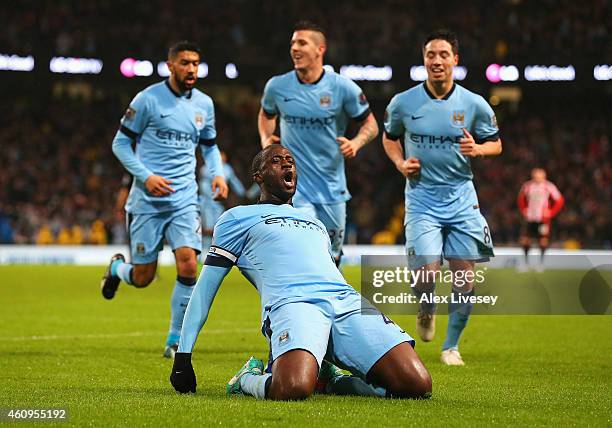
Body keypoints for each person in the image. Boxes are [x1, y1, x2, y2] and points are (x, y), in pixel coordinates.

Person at [170, 145, 432, 400]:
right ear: (258, 177)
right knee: (292, 388)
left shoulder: (315, 222)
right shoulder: (236, 218)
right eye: (276, 160)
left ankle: (330, 380)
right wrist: (183, 356)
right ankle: (247, 379)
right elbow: (205, 290)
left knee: (416, 383)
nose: (286, 163)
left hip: (346, 302)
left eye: (290, 160)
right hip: (294, 304)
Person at [100, 41, 229, 359]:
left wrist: (217, 173)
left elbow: (210, 146)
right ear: (170, 66)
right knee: (143, 277)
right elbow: (120, 144)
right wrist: (146, 177)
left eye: (196, 63)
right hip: (147, 201)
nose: (191, 69)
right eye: (185, 63)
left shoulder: (204, 105)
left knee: (188, 264)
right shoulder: (147, 100)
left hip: (185, 199)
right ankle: (118, 269)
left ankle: (174, 340)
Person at [382, 29, 502, 366]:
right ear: (424, 60)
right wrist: (399, 162)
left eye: (443, 55)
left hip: (462, 199)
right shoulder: (403, 103)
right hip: (421, 199)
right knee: (426, 275)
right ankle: (426, 306)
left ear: (455, 60)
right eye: (431, 55)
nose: (437, 61)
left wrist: (477, 149)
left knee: (464, 278)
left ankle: (451, 346)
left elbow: (497, 144)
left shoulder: (474, 104)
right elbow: (390, 138)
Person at [258, 21, 379, 266]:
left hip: (332, 188)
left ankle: (330, 302)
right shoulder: (277, 86)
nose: (294, 48)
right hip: (294, 187)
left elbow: (372, 125)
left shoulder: (342, 87)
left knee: (331, 257)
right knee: (305, 250)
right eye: (292, 43)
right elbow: (266, 114)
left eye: (302, 42)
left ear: (320, 50)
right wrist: (265, 140)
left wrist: (356, 142)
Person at [199, 151, 259, 252]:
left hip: (218, 203)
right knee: (208, 227)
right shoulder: (207, 168)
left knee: (217, 227)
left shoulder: (227, 169)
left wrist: (243, 193)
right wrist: (208, 199)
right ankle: (205, 250)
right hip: (207, 203)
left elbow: (234, 181)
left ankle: (215, 250)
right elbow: (203, 185)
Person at [517, 168, 564, 271]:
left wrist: (551, 212)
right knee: (525, 240)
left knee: (543, 240)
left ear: (544, 176)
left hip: (543, 219)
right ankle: (525, 263)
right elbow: (520, 199)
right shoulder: (528, 185)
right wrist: (524, 210)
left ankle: (541, 263)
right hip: (530, 217)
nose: (537, 178)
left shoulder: (549, 186)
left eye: (540, 176)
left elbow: (559, 200)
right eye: (536, 176)